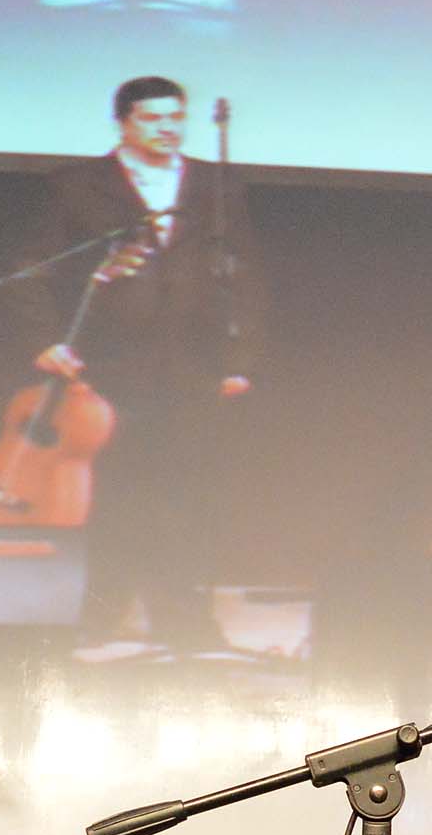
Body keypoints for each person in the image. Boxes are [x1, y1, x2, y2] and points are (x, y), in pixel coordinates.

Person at [14, 74, 264, 658]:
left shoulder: (218, 184)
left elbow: (247, 273)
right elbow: (35, 267)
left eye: (176, 116)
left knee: (187, 490)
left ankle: (183, 619)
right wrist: (45, 339)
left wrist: (241, 356)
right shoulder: (77, 186)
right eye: (153, 118)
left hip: (192, 364)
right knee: (117, 492)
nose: (168, 128)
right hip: (108, 366)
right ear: (124, 121)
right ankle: (103, 614)